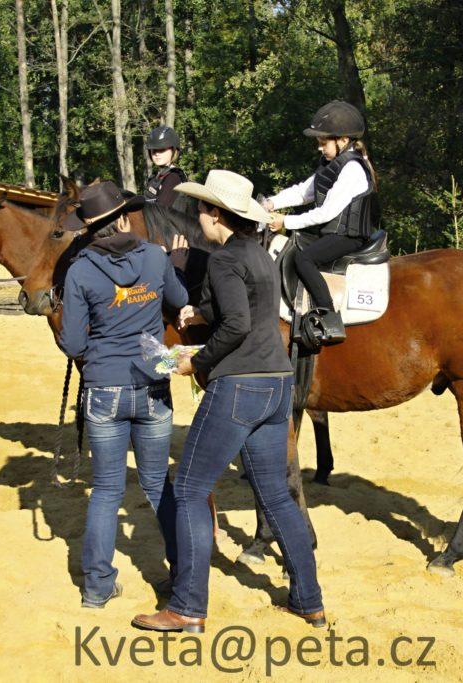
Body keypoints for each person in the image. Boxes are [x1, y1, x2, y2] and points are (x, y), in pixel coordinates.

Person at [131, 170, 326, 634]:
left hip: (239, 385)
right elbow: (251, 309)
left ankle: (187, 607)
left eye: (202, 209)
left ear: (217, 215)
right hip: (276, 382)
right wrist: (201, 312)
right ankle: (309, 601)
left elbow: (237, 325)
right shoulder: (258, 254)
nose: (198, 217)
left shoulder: (222, 260)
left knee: (188, 489)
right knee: (275, 494)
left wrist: (195, 363)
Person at [58, 180, 191, 608]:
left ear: (89, 228)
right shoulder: (154, 256)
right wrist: (175, 263)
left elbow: (73, 344)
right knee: (158, 484)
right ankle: (182, 576)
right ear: (122, 219)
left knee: (106, 489)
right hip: (153, 381)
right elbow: (179, 299)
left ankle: (97, 587)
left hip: (104, 386)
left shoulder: (79, 271)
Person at [263, 100, 381, 345]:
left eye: (323, 142)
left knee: (304, 258)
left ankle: (329, 318)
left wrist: (286, 220)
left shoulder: (352, 170)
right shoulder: (332, 165)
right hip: (334, 233)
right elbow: (302, 192)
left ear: (343, 140)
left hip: (349, 237)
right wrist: (271, 203)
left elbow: (325, 213)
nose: (319, 148)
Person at [143, 125, 188, 207]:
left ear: (174, 151)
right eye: (154, 150)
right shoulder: (155, 177)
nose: (157, 153)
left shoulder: (173, 177)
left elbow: (161, 210)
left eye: (162, 149)